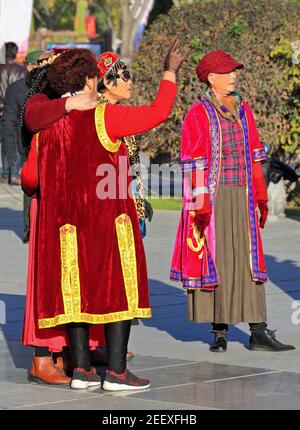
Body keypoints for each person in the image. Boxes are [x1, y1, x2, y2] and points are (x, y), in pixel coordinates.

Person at [24, 43, 183, 390]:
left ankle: (81, 370)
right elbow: (158, 112)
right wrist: (170, 72)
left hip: (65, 226)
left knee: (74, 294)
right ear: (92, 79)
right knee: (120, 291)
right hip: (109, 222)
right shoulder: (105, 116)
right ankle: (116, 372)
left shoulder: (48, 124)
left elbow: (30, 178)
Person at [171, 49, 295, 353]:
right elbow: (192, 160)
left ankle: (258, 331)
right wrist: (201, 203)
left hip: (242, 195)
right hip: (213, 199)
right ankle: (220, 330)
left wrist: (260, 194)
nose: (234, 76)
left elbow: (255, 152)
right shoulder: (198, 113)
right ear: (211, 78)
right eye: (227, 72)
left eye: (234, 71)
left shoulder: (243, 109)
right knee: (219, 260)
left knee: (249, 262)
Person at [1, 50, 44, 242]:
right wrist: (10, 152)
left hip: (51, 146)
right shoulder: (16, 89)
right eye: (39, 64)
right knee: (30, 188)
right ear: (30, 66)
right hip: (27, 147)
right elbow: (8, 122)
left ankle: (44, 229)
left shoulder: (51, 87)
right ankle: (30, 230)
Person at [0, 42, 26, 181]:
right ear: (15, 53)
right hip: (14, 108)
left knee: (5, 140)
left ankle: (4, 174)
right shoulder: (21, 70)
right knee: (15, 140)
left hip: (1, 108)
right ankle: (14, 173)